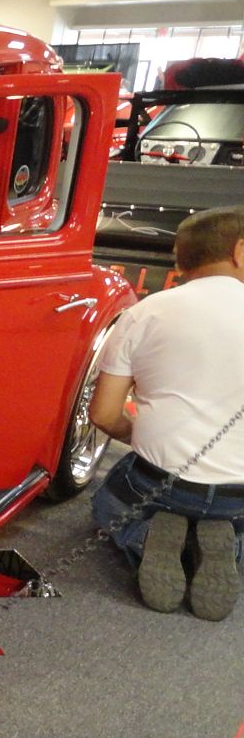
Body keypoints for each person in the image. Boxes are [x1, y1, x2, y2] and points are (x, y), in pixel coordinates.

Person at [90, 205, 244, 620]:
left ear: (181, 260)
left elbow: (103, 414)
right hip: (238, 495)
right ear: (240, 251)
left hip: (161, 483)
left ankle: (144, 537)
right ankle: (226, 545)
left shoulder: (145, 312)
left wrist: (143, 434)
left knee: (107, 504)